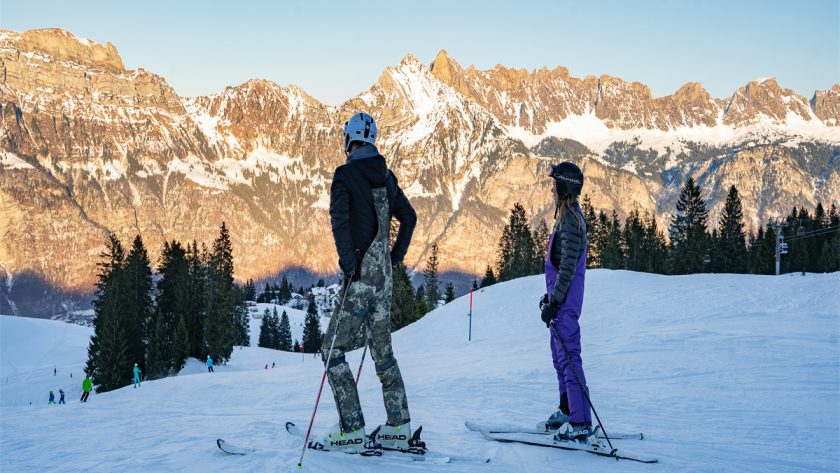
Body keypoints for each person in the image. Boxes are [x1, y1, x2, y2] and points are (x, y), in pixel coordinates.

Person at [319, 112, 417, 452]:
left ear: (350, 139)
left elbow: (340, 223)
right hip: (384, 281)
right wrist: (393, 259)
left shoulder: (344, 175)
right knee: (383, 353)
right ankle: (399, 425)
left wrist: (350, 266)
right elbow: (409, 218)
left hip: (360, 279)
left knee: (331, 351)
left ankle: (352, 429)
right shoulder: (386, 176)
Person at [539, 162, 595, 444]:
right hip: (559, 300)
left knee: (570, 357)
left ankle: (581, 421)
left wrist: (556, 301)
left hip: (567, 302)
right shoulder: (565, 217)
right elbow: (559, 263)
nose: (551, 188)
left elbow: (568, 268)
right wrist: (548, 298)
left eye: (554, 184)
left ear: (563, 187)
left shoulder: (572, 221)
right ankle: (567, 409)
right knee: (559, 357)